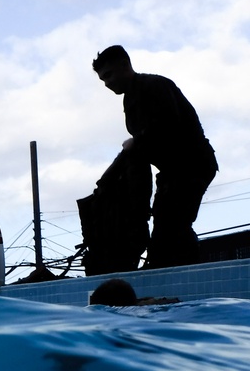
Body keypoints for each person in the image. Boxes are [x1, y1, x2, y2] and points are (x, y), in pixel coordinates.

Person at [92, 45, 218, 269]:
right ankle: (172, 270)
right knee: (164, 225)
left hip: (192, 166)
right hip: (172, 173)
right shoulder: (130, 99)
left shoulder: (155, 86)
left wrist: (136, 142)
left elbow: (168, 126)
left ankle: (190, 273)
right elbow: (139, 147)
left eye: (109, 75)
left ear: (125, 65)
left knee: (174, 225)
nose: (107, 83)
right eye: (103, 80)